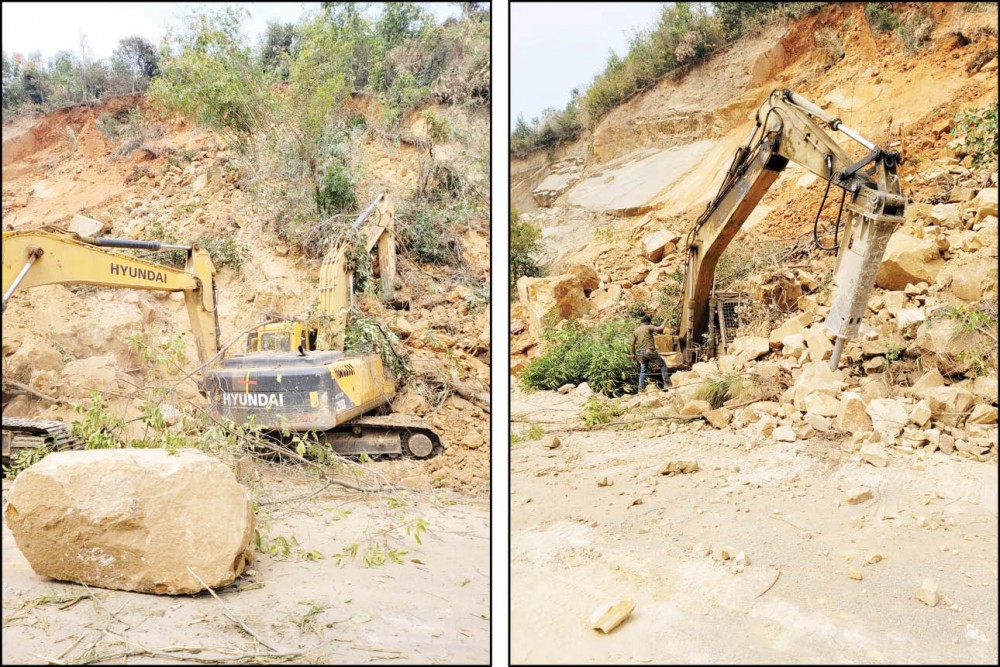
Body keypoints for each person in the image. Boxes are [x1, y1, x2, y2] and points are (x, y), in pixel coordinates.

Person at [630, 314, 670, 392]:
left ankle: (641, 389)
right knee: (663, 365)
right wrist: (665, 320)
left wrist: (633, 354)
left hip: (642, 353)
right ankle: (667, 384)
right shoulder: (649, 326)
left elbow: (632, 344)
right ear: (648, 321)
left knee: (643, 370)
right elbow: (661, 328)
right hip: (650, 351)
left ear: (642, 322)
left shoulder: (636, 331)